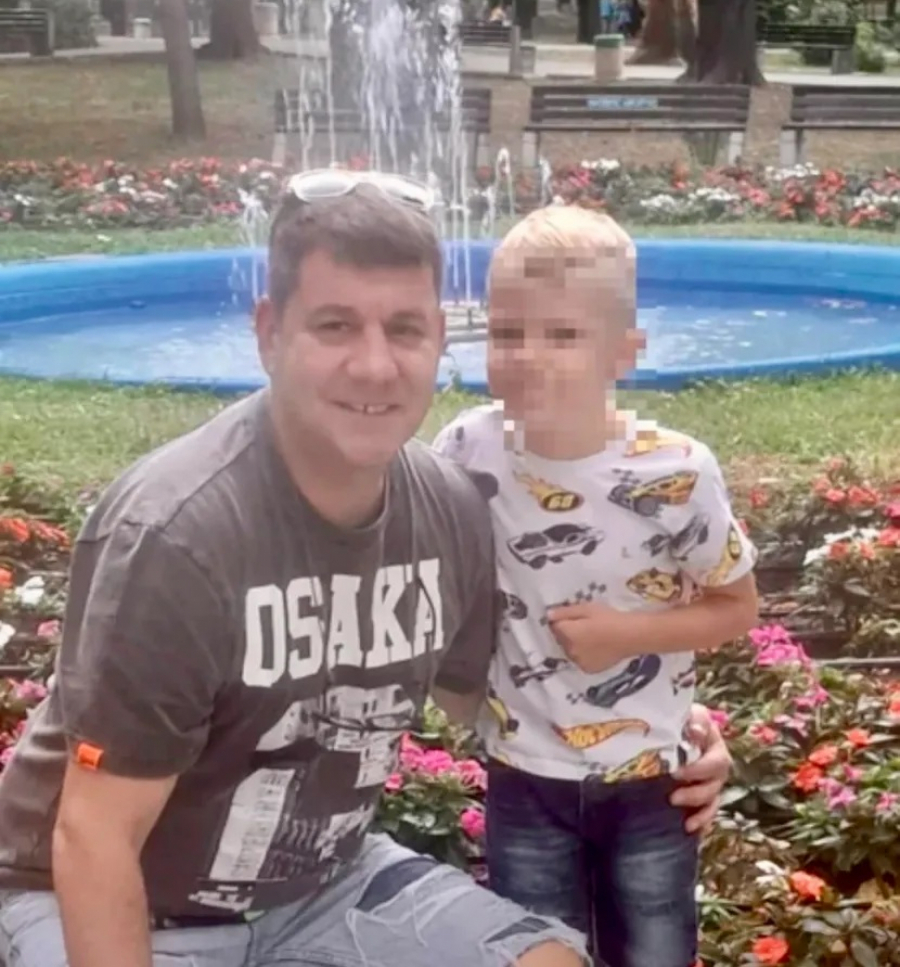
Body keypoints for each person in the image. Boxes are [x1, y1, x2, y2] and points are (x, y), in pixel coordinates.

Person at [0, 171, 732, 967]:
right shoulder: (179, 538)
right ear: (269, 334)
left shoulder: (450, 508)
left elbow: (514, 688)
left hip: (325, 887)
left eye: (405, 329)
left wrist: (666, 737)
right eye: (336, 326)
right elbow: (94, 837)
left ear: (439, 341)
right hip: (111, 901)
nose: (376, 366)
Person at [432, 205, 759, 967]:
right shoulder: (466, 450)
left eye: (562, 334)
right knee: (537, 950)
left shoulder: (676, 472)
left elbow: (736, 607)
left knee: (654, 950)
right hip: (523, 777)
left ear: (624, 352)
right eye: (507, 332)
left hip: (650, 781)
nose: (528, 356)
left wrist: (626, 635)